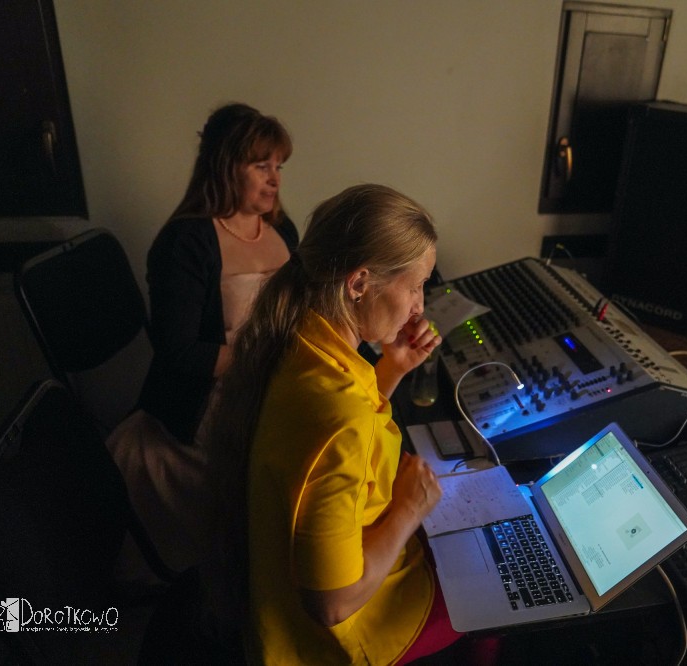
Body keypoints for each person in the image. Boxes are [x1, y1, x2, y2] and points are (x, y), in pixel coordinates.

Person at [204, 184, 470, 665]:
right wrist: (408, 509)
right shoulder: (339, 414)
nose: (419, 306)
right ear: (359, 282)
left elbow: (336, 435)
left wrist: (391, 369)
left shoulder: (300, 341)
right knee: (487, 597)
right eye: (414, 286)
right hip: (338, 637)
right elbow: (331, 603)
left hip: (276, 599)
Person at [106, 102, 298, 576]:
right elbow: (180, 353)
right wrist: (268, 360)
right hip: (210, 396)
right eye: (261, 166)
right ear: (225, 166)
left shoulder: (283, 229)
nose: (274, 180)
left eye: (278, 166)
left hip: (273, 375)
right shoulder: (185, 242)